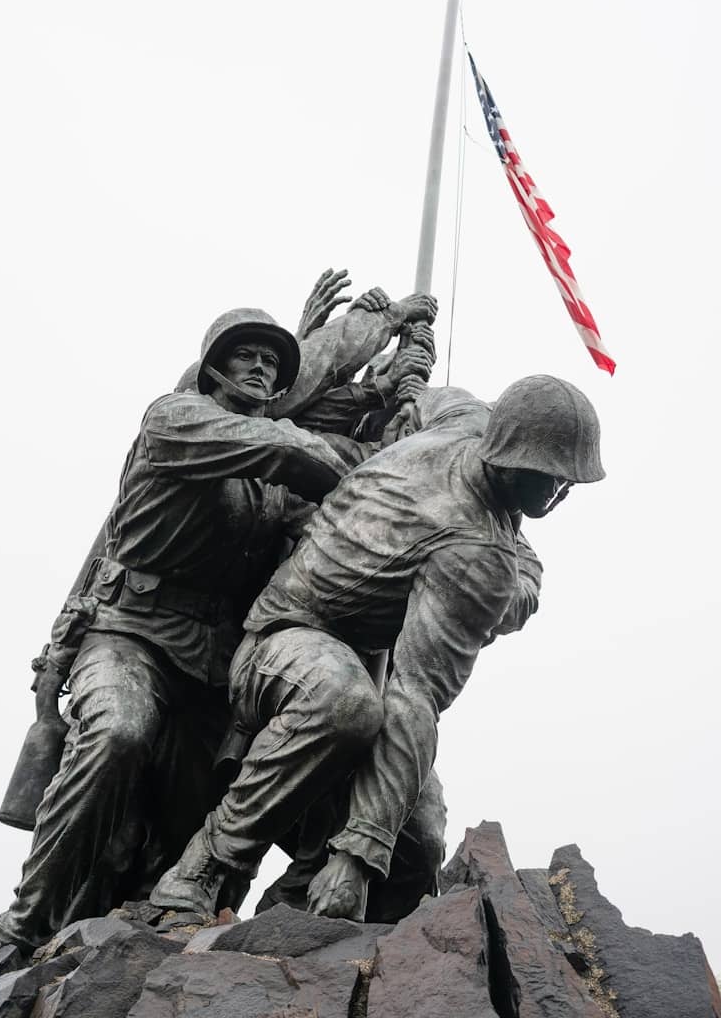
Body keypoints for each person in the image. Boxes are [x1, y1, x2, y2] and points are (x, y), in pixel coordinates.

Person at [0, 291, 436, 952]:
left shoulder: (271, 489)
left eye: (270, 360)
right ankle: (25, 919)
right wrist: (371, 331)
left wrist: (400, 426)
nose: (259, 369)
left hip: (209, 668)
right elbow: (286, 447)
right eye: (246, 357)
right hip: (131, 635)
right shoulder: (177, 420)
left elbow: (331, 527)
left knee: (187, 831)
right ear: (214, 370)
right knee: (118, 731)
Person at [150, 375, 605, 922]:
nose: (559, 493)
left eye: (568, 482)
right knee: (342, 702)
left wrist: (371, 851)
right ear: (504, 454)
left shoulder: (473, 449)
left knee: (419, 840)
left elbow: (415, 694)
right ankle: (205, 867)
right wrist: (359, 854)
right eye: (548, 476)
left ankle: (294, 911)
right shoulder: (475, 548)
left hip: (368, 664)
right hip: (283, 639)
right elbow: (413, 697)